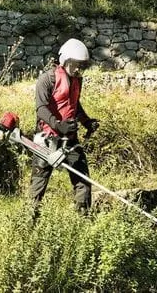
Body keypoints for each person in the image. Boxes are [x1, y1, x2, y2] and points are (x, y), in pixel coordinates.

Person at [29, 38, 99, 218]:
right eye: (76, 65)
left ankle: (83, 219)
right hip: (48, 138)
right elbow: (41, 108)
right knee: (39, 183)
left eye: (81, 66)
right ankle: (28, 222)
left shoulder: (77, 80)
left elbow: (75, 105)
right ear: (65, 61)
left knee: (83, 180)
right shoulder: (47, 79)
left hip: (70, 139)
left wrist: (86, 122)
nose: (78, 69)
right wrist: (57, 124)